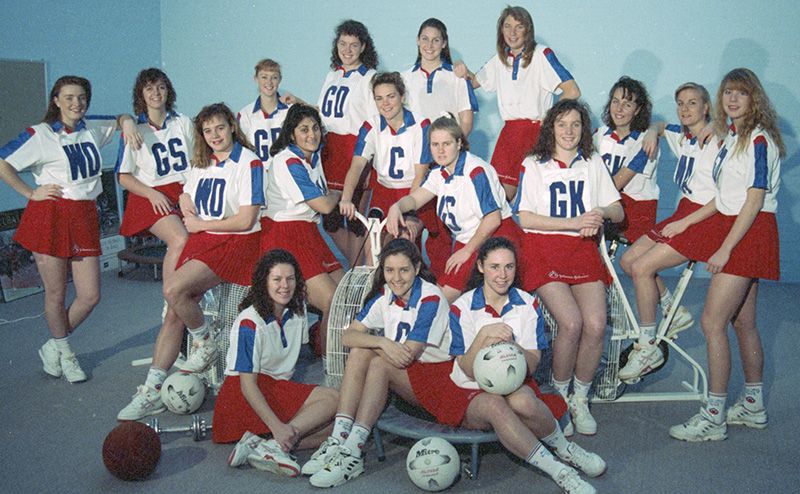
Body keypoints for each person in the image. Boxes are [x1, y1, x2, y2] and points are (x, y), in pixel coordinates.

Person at [118, 103, 264, 420]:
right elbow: (187, 193)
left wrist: (199, 225)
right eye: (207, 130)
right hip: (205, 238)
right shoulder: (202, 162)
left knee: (173, 290)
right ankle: (152, 391)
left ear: (232, 128)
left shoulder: (249, 162)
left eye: (220, 128)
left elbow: (246, 219)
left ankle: (204, 342)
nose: (214, 135)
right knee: (174, 311)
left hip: (237, 243)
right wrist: (185, 203)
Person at [0, 75, 142, 383]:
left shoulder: (91, 127)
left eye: (81, 98)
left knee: (90, 295)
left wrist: (128, 123)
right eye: (68, 98)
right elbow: (3, 162)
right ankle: (67, 353)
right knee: (57, 292)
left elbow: (121, 119)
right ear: (55, 100)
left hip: (83, 214)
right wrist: (29, 193)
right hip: (49, 214)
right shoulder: (40, 134)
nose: (76, 103)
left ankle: (53, 345)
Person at [669, 68, 782, 441]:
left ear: (755, 99)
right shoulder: (732, 138)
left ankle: (713, 417)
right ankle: (753, 405)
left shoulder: (758, 139)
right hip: (743, 228)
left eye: (741, 93)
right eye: (728, 92)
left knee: (711, 323)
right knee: (742, 323)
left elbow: (755, 197)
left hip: (749, 232)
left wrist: (726, 247)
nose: (732, 99)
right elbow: (723, 198)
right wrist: (685, 225)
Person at [443, 237, 605, 494]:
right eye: (495, 266)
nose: (502, 275)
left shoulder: (527, 304)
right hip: (470, 389)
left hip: (513, 380)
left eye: (509, 267)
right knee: (496, 406)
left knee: (524, 402)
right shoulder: (461, 308)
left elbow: (531, 365)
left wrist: (511, 345)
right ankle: (560, 472)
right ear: (481, 266)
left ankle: (566, 449)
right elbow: (466, 369)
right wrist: (485, 333)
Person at [515, 99, 624, 437]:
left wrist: (598, 214)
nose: (568, 131)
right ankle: (560, 398)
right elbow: (524, 216)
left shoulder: (592, 162)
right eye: (561, 124)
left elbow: (618, 211)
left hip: (581, 250)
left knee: (595, 324)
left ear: (583, 129)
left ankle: (580, 397)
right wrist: (573, 220)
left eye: (575, 124)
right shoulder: (534, 163)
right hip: (543, 250)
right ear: (551, 127)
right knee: (572, 322)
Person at [305, 239, 452, 488]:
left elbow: (407, 354)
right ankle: (339, 440)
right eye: (389, 270)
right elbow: (347, 336)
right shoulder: (386, 294)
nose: (396, 278)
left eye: (404, 270)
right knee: (362, 352)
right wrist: (382, 343)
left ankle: (353, 452)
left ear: (417, 268)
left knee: (378, 364)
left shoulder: (430, 297)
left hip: (440, 382)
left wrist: (382, 346)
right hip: (409, 375)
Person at [617, 83, 718, 380]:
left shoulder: (717, 138)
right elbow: (661, 127)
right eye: (681, 103)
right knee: (627, 261)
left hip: (705, 217)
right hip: (683, 211)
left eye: (692, 103)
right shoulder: (682, 135)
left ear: (706, 107)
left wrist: (685, 223)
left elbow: (723, 197)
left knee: (642, 267)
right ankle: (673, 308)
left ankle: (647, 347)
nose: (686, 109)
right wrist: (652, 130)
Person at [215, 249, 339, 477]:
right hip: (242, 398)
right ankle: (274, 442)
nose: (285, 285)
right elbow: (246, 385)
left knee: (339, 427)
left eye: (290, 279)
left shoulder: (298, 313)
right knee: (334, 399)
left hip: (274, 389)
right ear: (264, 283)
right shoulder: (249, 323)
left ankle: (263, 445)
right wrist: (277, 426)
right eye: (277, 279)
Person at [386, 116, 522, 304]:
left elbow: (493, 219)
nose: (440, 150)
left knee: (442, 300)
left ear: (459, 143)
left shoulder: (475, 170)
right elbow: (415, 199)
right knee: (444, 297)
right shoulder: (439, 173)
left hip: (495, 237)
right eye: (435, 144)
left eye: (446, 143)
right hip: (469, 239)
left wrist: (466, 252)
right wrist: (396, 207)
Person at [454, 5, 580, 202]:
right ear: (501, 30)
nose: (512, 33)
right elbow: (471, 83)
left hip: (535, 132)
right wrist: (458, 64)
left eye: (519, 27)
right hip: (509, 134)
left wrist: (549, 120)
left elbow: (573, 91)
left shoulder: (541, 54)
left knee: (535, 199)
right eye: (507, 26)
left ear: (528, 30)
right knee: (497, 200)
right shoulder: (501, 59)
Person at [261, 104, 345, 374]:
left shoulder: (313, 158)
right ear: (292, 134)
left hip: (308, 232)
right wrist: (335, 196)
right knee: (331, 300)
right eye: (304, 129)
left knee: (348, 293)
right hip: (284, 235)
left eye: (315, 128)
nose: (312, 134)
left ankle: (321, 340)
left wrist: (331, 197)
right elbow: (324, 204)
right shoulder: (287, 160)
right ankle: (334, 368)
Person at [115, 67, 192, 335]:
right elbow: (123, 177)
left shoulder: (182, 122)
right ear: (141, 95)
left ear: (167, 90)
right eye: (149, 88)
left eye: (160, 87)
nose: (155, 93)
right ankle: (171, 300)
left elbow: (196, 162)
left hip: (183, 190)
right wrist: (152, 193)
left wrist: (188, 191)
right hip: (150, 194)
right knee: (179, 239)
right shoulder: (134, 129)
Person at [401, 17, 477, 278]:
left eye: (436, 40)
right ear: (417, 41)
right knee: (410, 228)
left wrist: (445, 149)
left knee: (441, 229)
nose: (429, 45)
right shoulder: (405, 78)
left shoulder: (455, 76)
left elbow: (466, 121)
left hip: (446, 162)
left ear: (444, 43)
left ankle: (444, 287)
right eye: (424, 39)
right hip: (414, 164)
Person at [339, 71, 431, 261]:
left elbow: (420, 174)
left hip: (414, 192)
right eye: (379, 98)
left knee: (405, 238)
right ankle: (376, 289)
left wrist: (410, 212)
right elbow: (356, 166)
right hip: (384, 192)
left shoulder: (421, 125)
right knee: (372, 241)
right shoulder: (371, 126)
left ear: (402, 96)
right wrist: (346, 198)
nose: (385, 103)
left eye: (391, 97)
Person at [316, 19, 380, 267]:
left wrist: (369, 164)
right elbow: (325, 115)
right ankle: (359, 266)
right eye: (343, 43)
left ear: (363, 47)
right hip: (330, 151)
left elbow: (374, 122)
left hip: (356, 151)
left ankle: (355, 279)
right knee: (329, 219)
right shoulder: (332, 74)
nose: (348, 49)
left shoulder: (370, 77)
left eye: (354, 44)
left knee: (355, 221)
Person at [593, 77, 659, 245]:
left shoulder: (646, 140)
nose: (619, 109)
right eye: (615, 102)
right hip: (610, 204)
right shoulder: (600, 134)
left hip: (635, 211)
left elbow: (617, 183)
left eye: (627, 104)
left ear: (637, 110)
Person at [237, 58, 291, 163]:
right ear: (256, 79)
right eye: (264, 77)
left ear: (280, 79)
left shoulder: (290, 111)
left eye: (274, 78)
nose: (269, 82)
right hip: (259, 172)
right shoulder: (245, 114)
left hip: (285, 172)